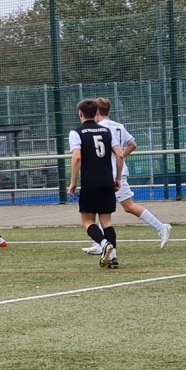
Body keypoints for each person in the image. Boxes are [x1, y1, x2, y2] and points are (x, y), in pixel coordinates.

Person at [81, 97, 172, 260]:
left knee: (126, 206)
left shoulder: (99, 128)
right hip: (115, 171)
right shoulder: (118, 126)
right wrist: (120, 156)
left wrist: (115, 158)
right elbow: (133, 144)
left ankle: (161, 227)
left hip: (108, 173)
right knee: (104, 208)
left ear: (96, 112)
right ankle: (99, 244)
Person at [67, 99, 123, 268]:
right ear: (96, 113)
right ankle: (113, 258)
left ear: (80, 114)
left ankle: (104, 244)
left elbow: (77, 157)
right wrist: (118, 178)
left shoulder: (76, 133)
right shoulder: (107, 131)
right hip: (107, 181)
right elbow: (120, 155)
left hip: (90, 183)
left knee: (88, 221)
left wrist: (73, 181)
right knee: (107, 222)